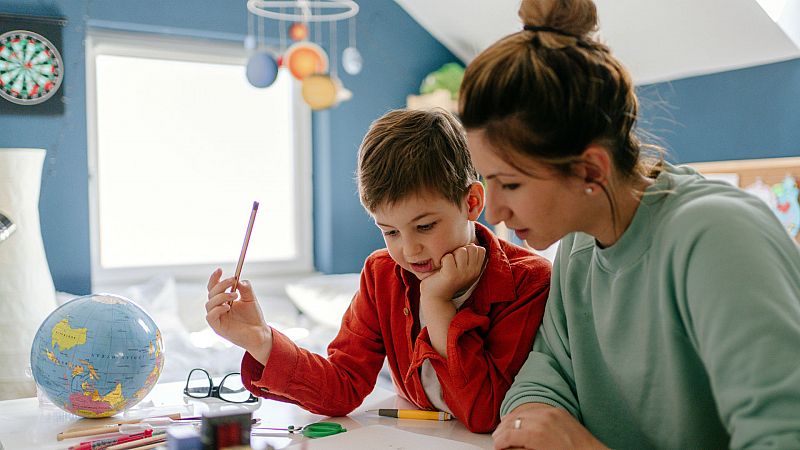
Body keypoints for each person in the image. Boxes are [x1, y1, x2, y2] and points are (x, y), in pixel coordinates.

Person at [458, 0, 800, 448]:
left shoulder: (717, 239)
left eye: (511, 184)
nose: (494, 212)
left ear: (591, 171)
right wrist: (531, 420)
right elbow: (544, 377)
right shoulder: (579, 248)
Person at [204, 109, 551, 433]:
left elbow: (485, 414)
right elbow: (343, 386)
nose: (409, 250)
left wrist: (437, 304)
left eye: (426, 226)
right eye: (390, 232)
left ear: (472, 202)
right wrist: (260, 340)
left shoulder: (529, 281)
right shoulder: (382, 273)